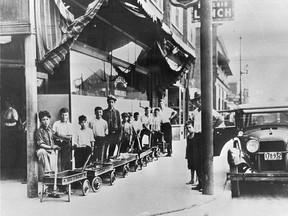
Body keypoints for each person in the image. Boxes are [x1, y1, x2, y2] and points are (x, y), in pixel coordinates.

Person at [190, 91, 224, 191]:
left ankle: (205, 183)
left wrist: (213, 127)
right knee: (196, 161)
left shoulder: (208, 109)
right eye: (197, 100)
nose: (198, 102)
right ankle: (200, 183)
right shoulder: (195, 111)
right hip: (196, 136)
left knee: (204, 160)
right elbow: (193, 121)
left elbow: (220, 118)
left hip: (204, 136)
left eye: (200, 100)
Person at [36, 111, 60, 176]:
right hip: (43, 151)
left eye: (47, 119)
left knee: (54, 171)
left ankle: (52, 181)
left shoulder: (50, 129)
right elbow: (40, 144)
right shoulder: (39, 131)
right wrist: (51, 147)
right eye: (43, 120)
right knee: (42, 151)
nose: (45, 121)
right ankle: (47, 173)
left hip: (51, 151)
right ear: (40, 121)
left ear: (49, 120)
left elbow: (55, 137)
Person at [185, 120, 197, 185]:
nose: (188, 129)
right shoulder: (188, 137)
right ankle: (192, 179)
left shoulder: (196, 136)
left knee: (196, 167)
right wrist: (187, 155)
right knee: (191, 167)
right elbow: (188, 147)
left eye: (190, 127)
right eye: (187, 128)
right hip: (190, 154)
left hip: (195, 153)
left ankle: (197, 180)